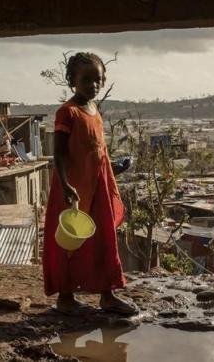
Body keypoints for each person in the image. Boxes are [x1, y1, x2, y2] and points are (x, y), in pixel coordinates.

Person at [43, 52, 136, 315]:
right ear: (72, 80)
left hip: (98, 187)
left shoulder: (95, 111)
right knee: (70, 245)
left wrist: (112, 170)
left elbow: (97, 151)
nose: (92, 85)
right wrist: (65, 184)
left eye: (97, 80)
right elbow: (59, 154)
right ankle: (65, 297)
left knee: (104, 238)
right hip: (73, 190)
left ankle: (108, 294)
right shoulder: (67, 112)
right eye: (86, 80)